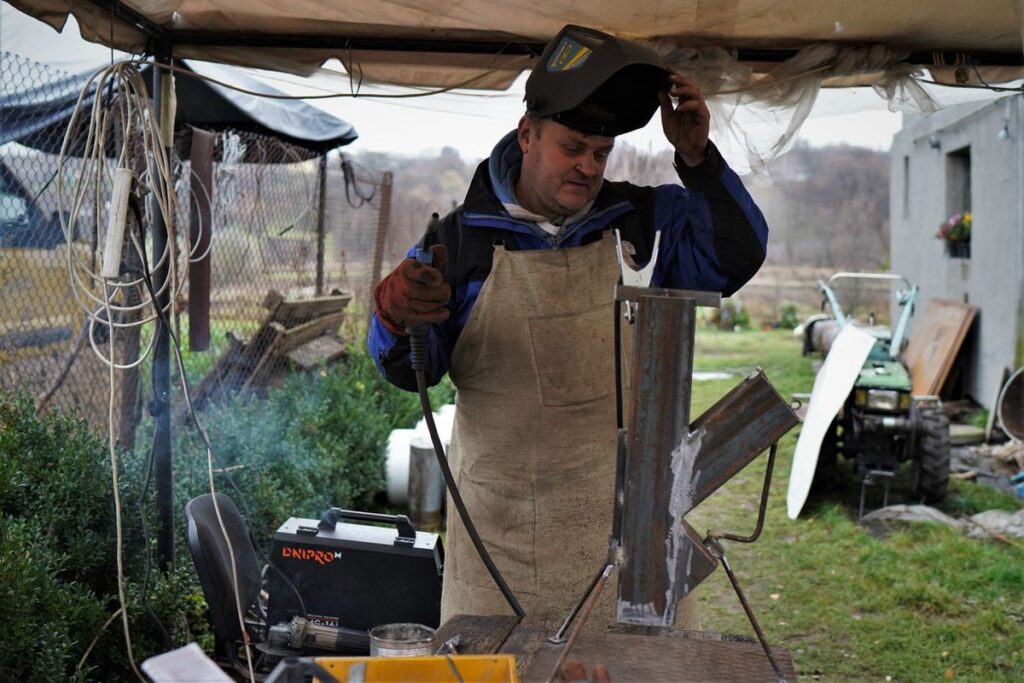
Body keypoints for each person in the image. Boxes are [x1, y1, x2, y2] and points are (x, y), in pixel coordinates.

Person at [368, 24, 768, 631]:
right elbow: (407, 371)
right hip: (498, 557)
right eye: (573, 147)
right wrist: (393, 317)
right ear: (527, 134)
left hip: (635, 554)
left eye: (601, 153)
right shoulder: (457, 244)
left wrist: (697, 159)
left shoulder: (643, 223)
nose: (588, 167)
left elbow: (735, 255)